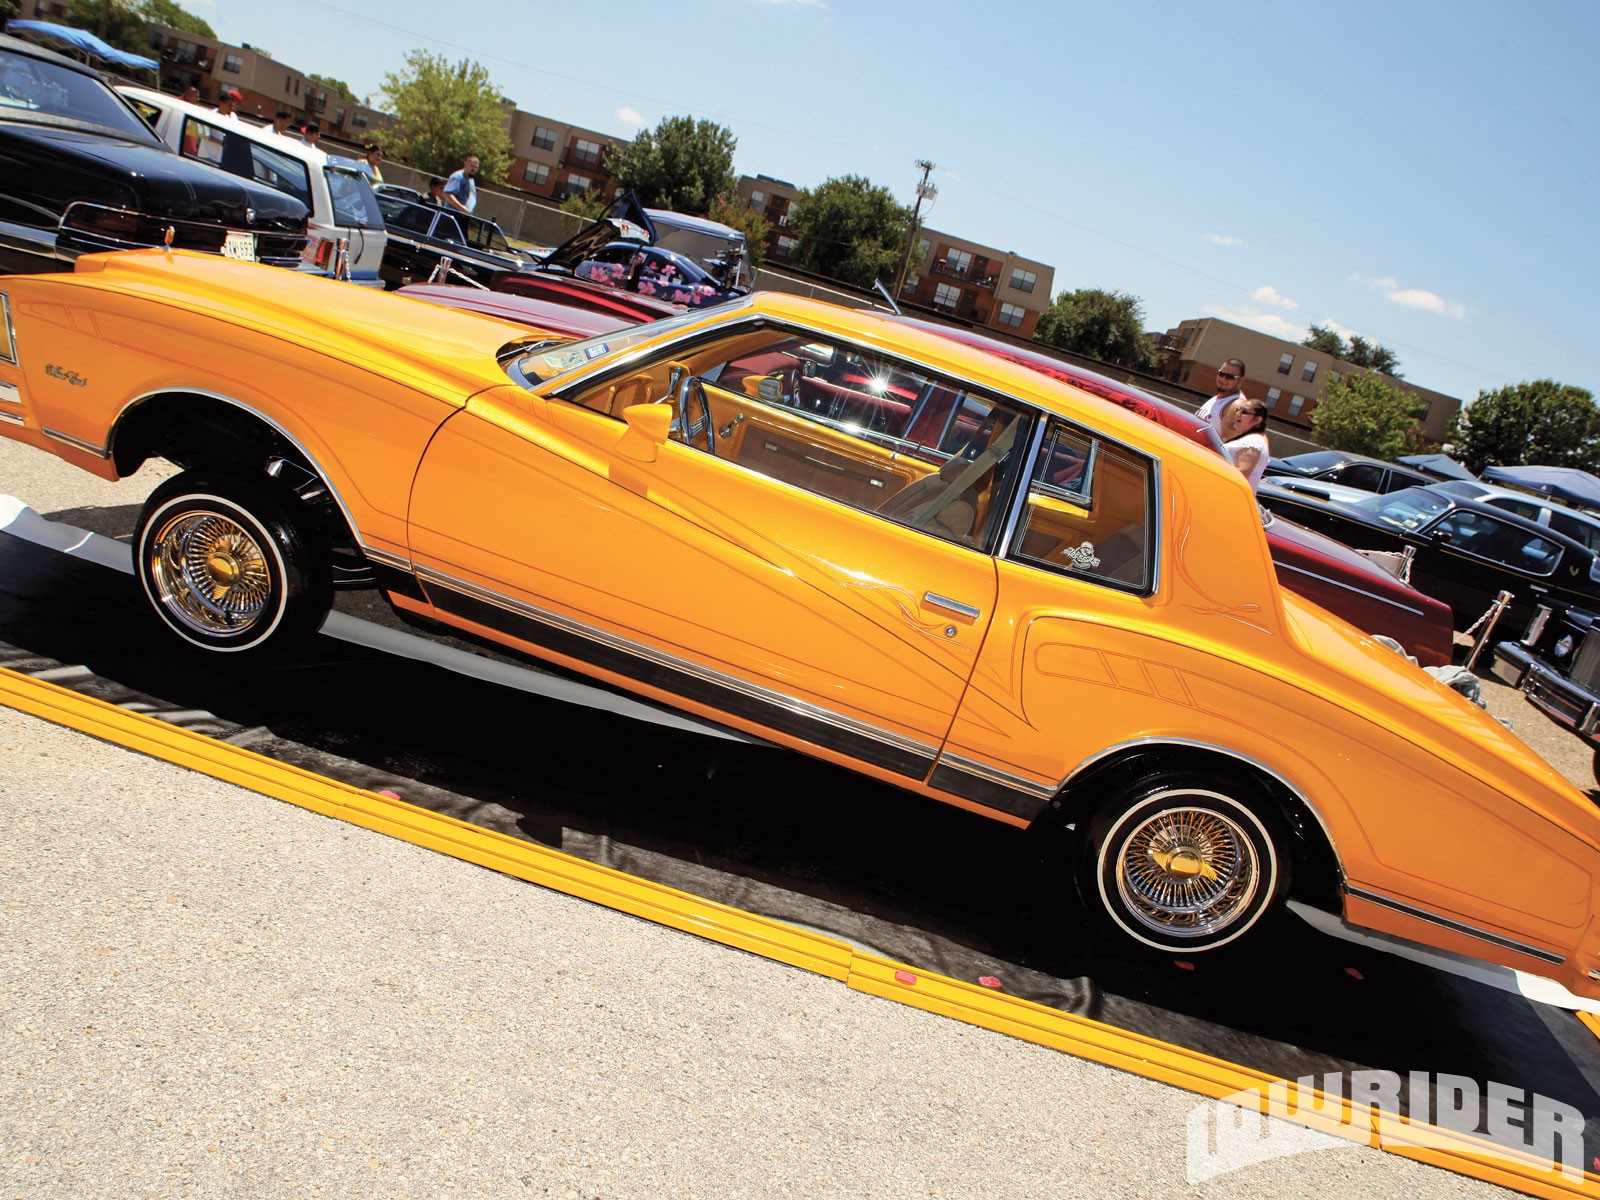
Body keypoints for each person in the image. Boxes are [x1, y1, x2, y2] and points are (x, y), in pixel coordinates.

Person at [1220, 398, 1271, 490]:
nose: (1238, 414)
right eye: (1238, 410)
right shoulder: (1251, 439)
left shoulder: (1253, 442)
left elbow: (1241, 474)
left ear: (1257, 420)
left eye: (1244, 412)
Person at [1196, 359, 1247, 437]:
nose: (1223, 379)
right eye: (1221, 373)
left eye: (1230, 377)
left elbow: (1227, 444)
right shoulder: (1218, 398)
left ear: (1240, 380)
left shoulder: (1236, 405)